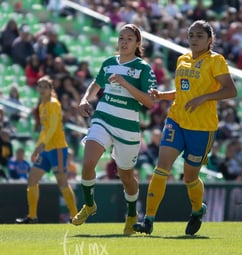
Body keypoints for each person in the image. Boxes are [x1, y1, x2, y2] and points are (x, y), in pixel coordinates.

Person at [133, 20, 238, 236]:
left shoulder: (216, 61)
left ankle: (198, 210)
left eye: (199, 35)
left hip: (202, 128)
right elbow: (183, 92)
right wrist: (163, 95)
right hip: (176, 120)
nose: (194, 39)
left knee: (189, 177)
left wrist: (204, 98)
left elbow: (230, 91)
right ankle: (148, 220)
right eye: (191, 35)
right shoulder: (182, 59)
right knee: (161, 168)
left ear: (210, 40)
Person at [70, 24, 157, 235]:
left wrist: (126, 83)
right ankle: (89, 205)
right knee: (89, 162)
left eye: (129, 38)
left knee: (126, 176)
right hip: (103, 118)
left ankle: (131, 214)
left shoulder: (143, 68)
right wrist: (85, 99)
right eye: (121, 38)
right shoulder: (109, 63)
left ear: (137, 43)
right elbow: (96, 84)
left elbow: (150, 102)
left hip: (127, 127)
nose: (124, 41)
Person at [16, 76, 78, 223]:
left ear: (51, 90)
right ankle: (32, 216)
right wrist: (38, 148)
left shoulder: (54, 104)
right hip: (46, 149)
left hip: (57, 149)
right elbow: (44, 131)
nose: (42, 89)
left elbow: (53, 128)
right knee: (32, 179)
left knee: (62, 182)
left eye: (45, 86)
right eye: (40, 86)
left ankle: (75, 216)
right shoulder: (42, 106)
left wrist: (40, 146)